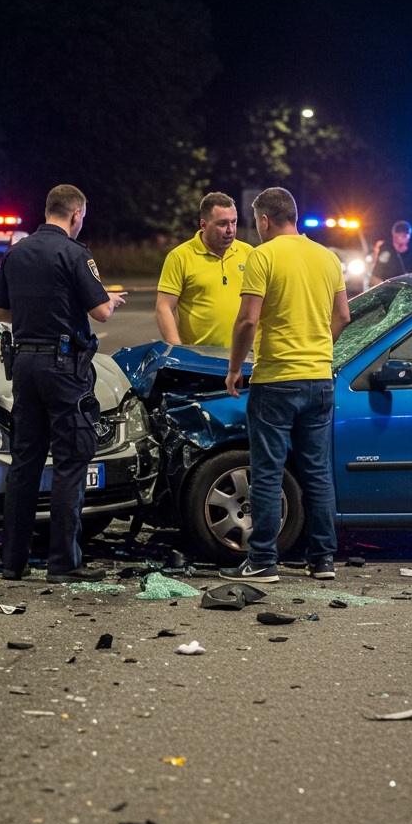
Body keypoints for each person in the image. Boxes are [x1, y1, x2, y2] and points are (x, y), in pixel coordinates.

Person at [0, 185, 126, 584]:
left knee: (26, 463)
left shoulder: (16, 252)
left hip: (25, 365)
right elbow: (100, 312)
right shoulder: (75, 253)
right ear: (77, 213)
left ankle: (12, 563)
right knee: (70, 462)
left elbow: (0, 311)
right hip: (64, 368)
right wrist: (111, 301)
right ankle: (63, 563)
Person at [222, 187, 350, 583]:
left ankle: (262, 561)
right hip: (319, 379)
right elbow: (343, 315)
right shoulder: (327, 257)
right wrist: (316, 346)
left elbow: (247, 320)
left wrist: (234, 368)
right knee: (317, 473)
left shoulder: (263, 255)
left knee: (267, 472)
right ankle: (323, 560)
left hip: (276, 379)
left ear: (263, 220)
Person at [154, 192, 254, 347]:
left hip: (244, 355)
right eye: (222, 224)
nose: (230, 230)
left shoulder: (248, 253)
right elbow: (164, 308)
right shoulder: (180, 256)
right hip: (199, 359)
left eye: (233, 222)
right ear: (203, 224)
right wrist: (178, 350)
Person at [368, 220, 412, 285]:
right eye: (400, 231)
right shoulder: (385, 248)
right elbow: (377, 273)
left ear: (410, 234)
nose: (403, 234)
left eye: (406, 232)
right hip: (387, 287)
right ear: (393, 233)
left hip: (406, 287)